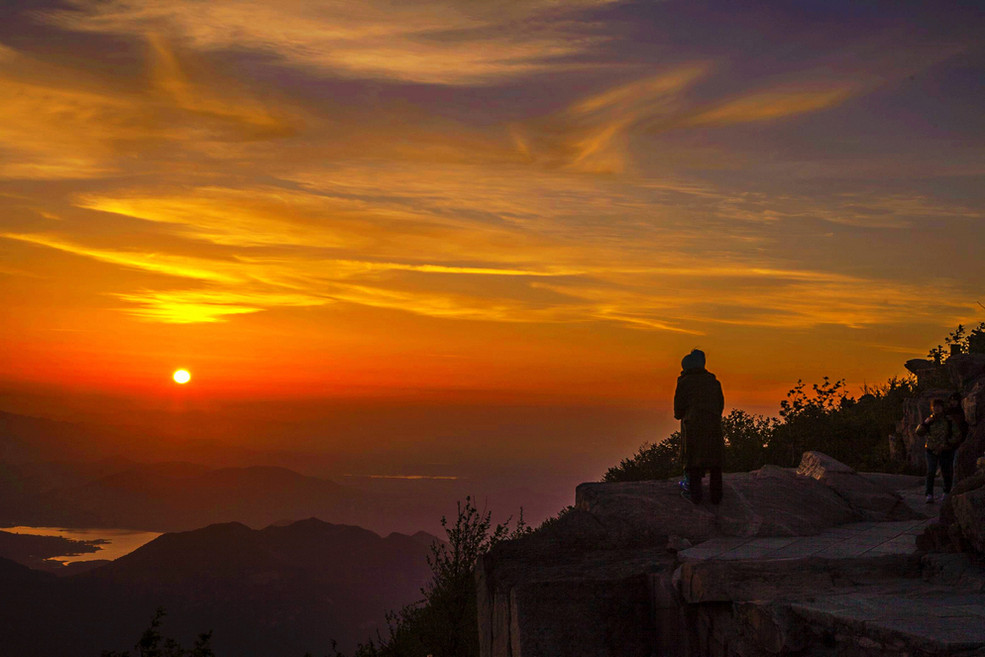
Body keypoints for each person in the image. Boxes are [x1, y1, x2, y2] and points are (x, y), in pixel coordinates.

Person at [674, 349, 725, 504]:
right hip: (713, 426)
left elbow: (678, 411)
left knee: (693, 461)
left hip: (693, 426)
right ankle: (716, 497)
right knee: (715, 462)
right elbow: (720, 406)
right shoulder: (714, 382)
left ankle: (695, 495)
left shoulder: (684, 383)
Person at [915, 398, 955, 503]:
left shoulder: (948, 420)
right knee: (931, 471)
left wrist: (949, 443)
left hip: (945, 449)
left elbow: (956, 434)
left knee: (946, 471)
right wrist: (925, 424)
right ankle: (929, 494)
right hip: (931, 449)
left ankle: (946, 492)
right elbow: (918, 432)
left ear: (942, 407)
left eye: (938, 406)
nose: (936, 408)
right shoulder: (930, 420)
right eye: (934, 406)